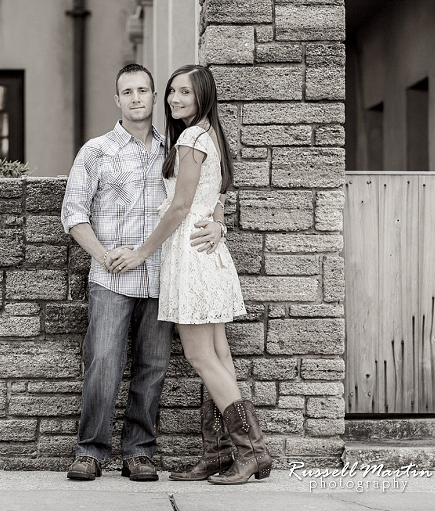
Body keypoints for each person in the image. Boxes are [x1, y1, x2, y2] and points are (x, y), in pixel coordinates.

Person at [60, 63, 225, 481]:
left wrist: (219, 222)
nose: (136, 98)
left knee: (153, 368)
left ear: (155, 98)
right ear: (117, 100)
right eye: (127, 91)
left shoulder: (174, 148)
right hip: (112, 277)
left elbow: (206, 192)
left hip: (161, 276)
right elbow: (73, 214)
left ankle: (140, 452)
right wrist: (102, 254)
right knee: (103, 363)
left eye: (144, 90)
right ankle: (90, 451)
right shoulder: (95, 151)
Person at [109, 64, 272, 485]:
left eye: (185, 92)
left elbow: (180, 207)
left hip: (191, 255)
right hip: (207, 253)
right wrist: (218, 219)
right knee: (219, 358)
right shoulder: (210, 135)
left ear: (203, 96)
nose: (174, 99)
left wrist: (143, 252)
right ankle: (219, 452)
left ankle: (251, 451)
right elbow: (214, 197)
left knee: (202, 357)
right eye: (171, 92)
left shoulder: (190, 137)